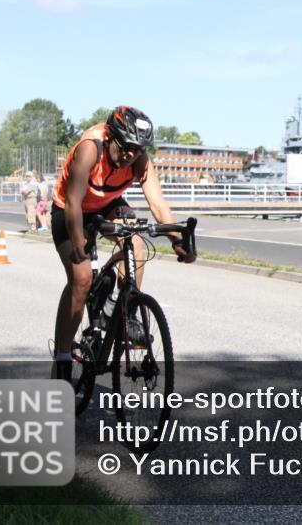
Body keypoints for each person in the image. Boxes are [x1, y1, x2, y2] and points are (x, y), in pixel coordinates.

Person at [50, 106, 196, 381]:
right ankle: (63, 356)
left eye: (138, 149)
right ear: (110, 137)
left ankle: (123, 309)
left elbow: (157, 203)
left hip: (106, 203)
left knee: (134, 240)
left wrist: (176, 239)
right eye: (125, 146)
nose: (130, 154)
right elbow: (72, 201)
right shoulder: (91, 148)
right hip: (70, 208)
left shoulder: (139, 159)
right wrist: (79, 237)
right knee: (81, 279)